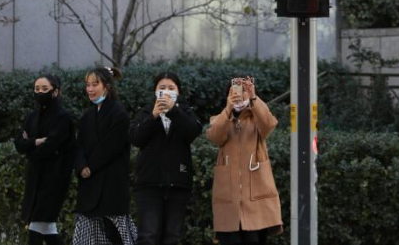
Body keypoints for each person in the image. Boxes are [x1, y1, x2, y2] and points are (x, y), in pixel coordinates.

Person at [206, 77, 283, 245]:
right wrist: (228, 108)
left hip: (257, 199)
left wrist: (254, 98)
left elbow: (269, 125)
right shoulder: (220, 119)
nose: (239, 95)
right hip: (229, 200)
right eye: (234, 91)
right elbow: (214, 136)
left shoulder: (257, 118)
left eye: (244, 91)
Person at [130, 71, 202, 245]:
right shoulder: (146, 111)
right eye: (162, 88)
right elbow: (135, 138)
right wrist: (153, 116)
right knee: (148, 236)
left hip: (178, 184)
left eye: (171, 88)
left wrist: (173, 111)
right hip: (149, 184)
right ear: (155, 91)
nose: (166, 91)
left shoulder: (185, 111)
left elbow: (193, 131)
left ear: (178, 92)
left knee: (172, 236)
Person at [73, 67, 136, 245]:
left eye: (95, 84)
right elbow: (79, 146)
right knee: (89, 237)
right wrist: (80, 166)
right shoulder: (87, 116)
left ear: (106, 87)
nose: (90, 89)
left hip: (111, 187)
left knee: (117, 236)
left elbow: (110, 148)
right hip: (90, 186)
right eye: (88, 85)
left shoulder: (119, 114)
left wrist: (89, 167)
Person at [14, 74, 76, 245]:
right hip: (35, 178)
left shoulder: (62, 118)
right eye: (36, 89)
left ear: (55, 92)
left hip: (54, 179)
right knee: (47, 228)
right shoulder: (32, 117)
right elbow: (19, 143)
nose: (39, 92)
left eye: (44, 89)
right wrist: (35, 142)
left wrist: (29, 146)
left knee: (37, 223)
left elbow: (50, 146)